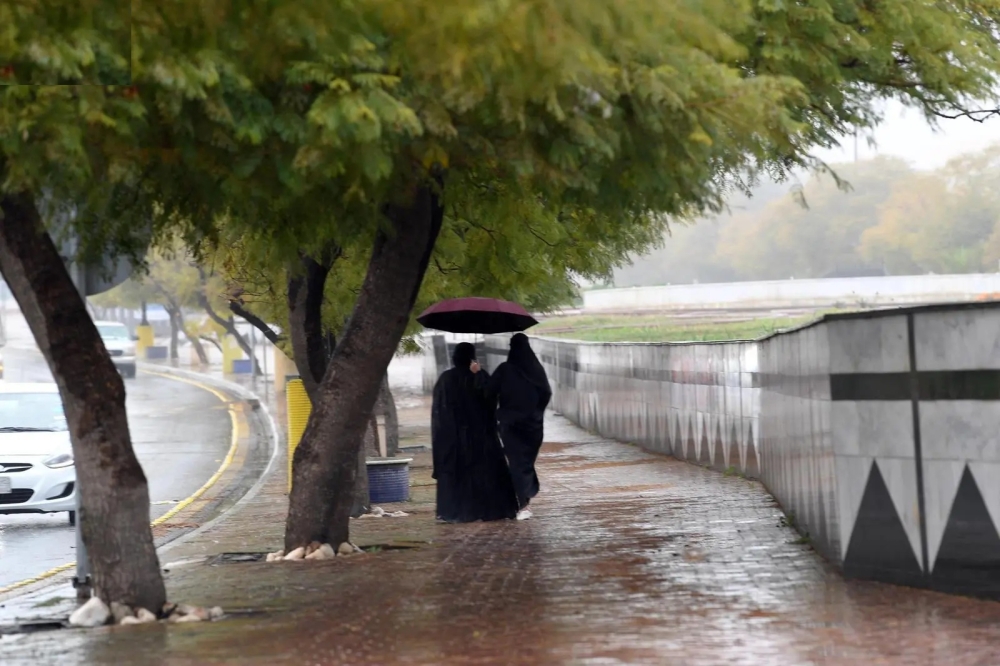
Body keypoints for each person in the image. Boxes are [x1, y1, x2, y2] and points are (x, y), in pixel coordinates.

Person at [431, 342, 519, 523]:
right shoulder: (481, 377)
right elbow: (491, 401)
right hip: (483, 438)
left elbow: (440, 412)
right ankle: (489, 510)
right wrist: (478, 375)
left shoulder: (446, 379)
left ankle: (455, 512)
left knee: (459, 474)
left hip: (454, 438)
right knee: (485, 474)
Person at [480, 333, 552, 521]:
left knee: (518, 462)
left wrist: (478, 375)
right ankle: (524, 500)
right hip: (534, 427)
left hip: (510, 425)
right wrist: (536, 412)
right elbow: (546, 393)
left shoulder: (504, 370)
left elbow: (489, 392)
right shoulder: (537, 370)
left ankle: (524, 502)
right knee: (525, 462)